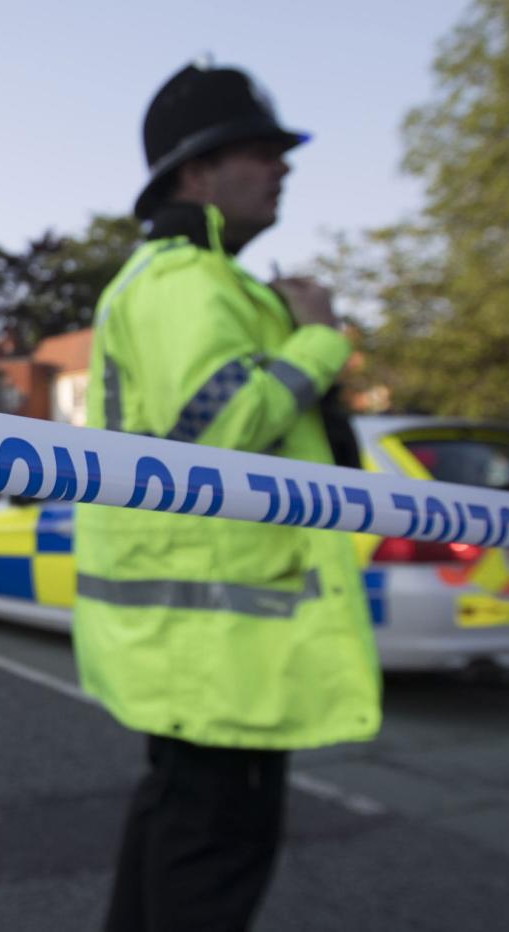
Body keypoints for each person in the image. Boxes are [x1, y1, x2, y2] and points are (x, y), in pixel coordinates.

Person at [74, 60, 382, 931]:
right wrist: (320, 339)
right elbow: (216, 431)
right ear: (195, 173)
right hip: (221, 644)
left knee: (179, 839)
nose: (283, 168)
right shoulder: (182, 280)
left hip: (208, 636)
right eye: (260, 151)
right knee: (208, 863)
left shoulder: (199, 282)